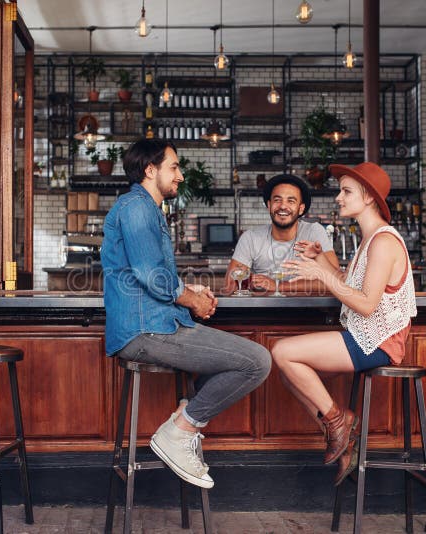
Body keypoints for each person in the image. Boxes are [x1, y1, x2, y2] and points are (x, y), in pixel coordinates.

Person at [101, 138, 272, 489]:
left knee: (252, 360)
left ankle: (185, 415)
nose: (180, 175)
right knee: (257, 361)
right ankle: (179, 431)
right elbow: (151, 274)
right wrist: (192, 301)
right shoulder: (136, 207)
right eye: (174, 167)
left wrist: (192, 292)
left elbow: (157, 274)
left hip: (158, 325)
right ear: (151, 170)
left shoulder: (148, 208)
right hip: (145, 331)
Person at [270, 162, 417, 486]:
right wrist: (320, 258)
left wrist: (319, 273)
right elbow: (346, 283)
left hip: (377, 341)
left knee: (282, 351)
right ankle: (343, 438)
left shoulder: (383, 242)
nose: (338, 197)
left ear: (368, 198)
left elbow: (365, 304)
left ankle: (339, 421)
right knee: (287, 370)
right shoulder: (369, 241)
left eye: (346, 191)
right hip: (363, 335)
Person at [223, 174, 340, 294]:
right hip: (261, 310)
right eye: (277, 200)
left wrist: (279, 286)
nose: (283, 206)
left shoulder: (314, 231)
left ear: (301, 208)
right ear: (269, 206)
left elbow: (337, 281)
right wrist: (250, 281)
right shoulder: (251, 238)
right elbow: (230, 285)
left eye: (291, 201)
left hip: (308, 309)